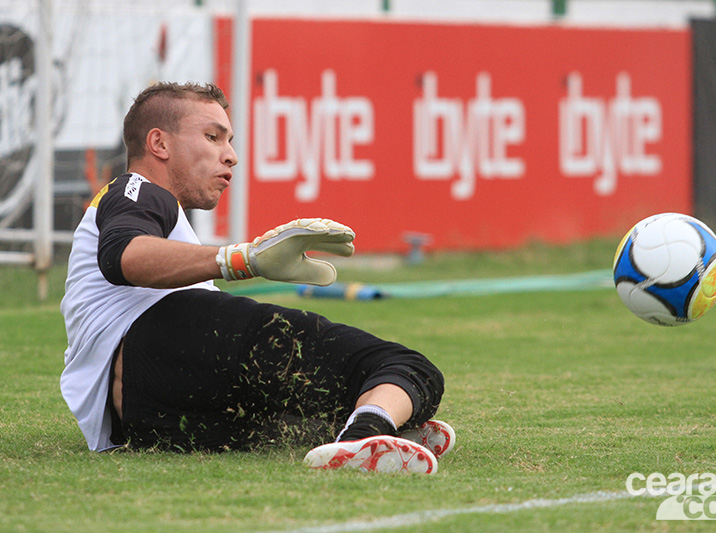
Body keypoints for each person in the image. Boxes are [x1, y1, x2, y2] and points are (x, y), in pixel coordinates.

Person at [60, 81, 454, 474]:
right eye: (212, 137)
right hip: (155, 347)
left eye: (229, 141)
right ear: (159, 144)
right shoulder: (137, 189)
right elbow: (123, 256)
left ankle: (372, 425)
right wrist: (244, 259)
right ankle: (366, 431)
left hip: (139, 419)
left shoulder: (152, 206)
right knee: (407, 367)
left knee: (298, 418)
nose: (230, 155)